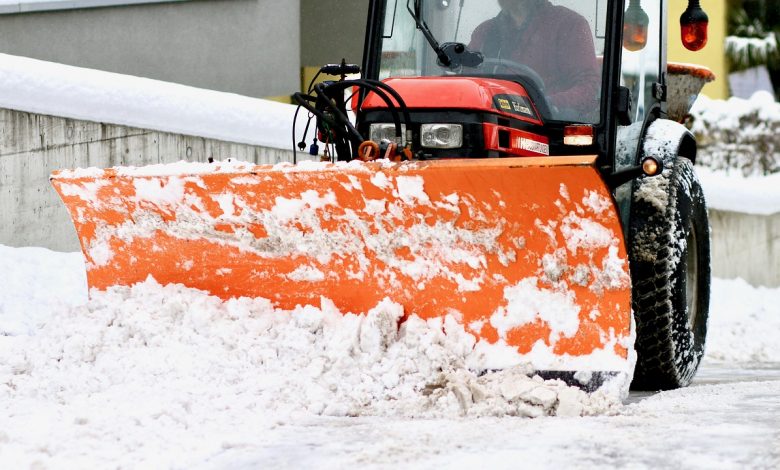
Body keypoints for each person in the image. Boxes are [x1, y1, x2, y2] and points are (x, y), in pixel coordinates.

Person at [468, 0, 601, 118]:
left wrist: (544, 104)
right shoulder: (485, 32)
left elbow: (589, 88)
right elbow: (467, 82)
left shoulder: (568, 25)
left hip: (547, 130)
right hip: (491, 124)